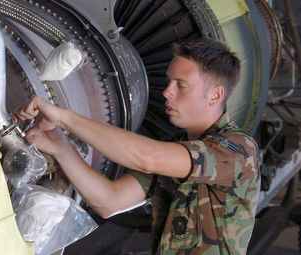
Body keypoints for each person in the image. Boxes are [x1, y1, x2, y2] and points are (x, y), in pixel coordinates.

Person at [14, 38, 260, 255]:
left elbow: (148, 157)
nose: (166, 92)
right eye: (168, 82)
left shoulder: (237, 150)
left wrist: (64, 117)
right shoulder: (176, 150)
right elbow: (110, 201)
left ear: (215, 95)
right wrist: (59, 145)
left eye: (181, 85)